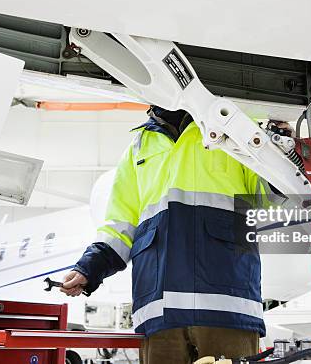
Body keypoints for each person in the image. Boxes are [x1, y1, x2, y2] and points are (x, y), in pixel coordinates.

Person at [62, 106, 272, 363]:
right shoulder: (138, 147)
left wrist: (279, 154)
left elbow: (270, 198)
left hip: (225, 303)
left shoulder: (235, 126)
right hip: (158, 313)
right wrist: (89, 268)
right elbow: (121, 225)